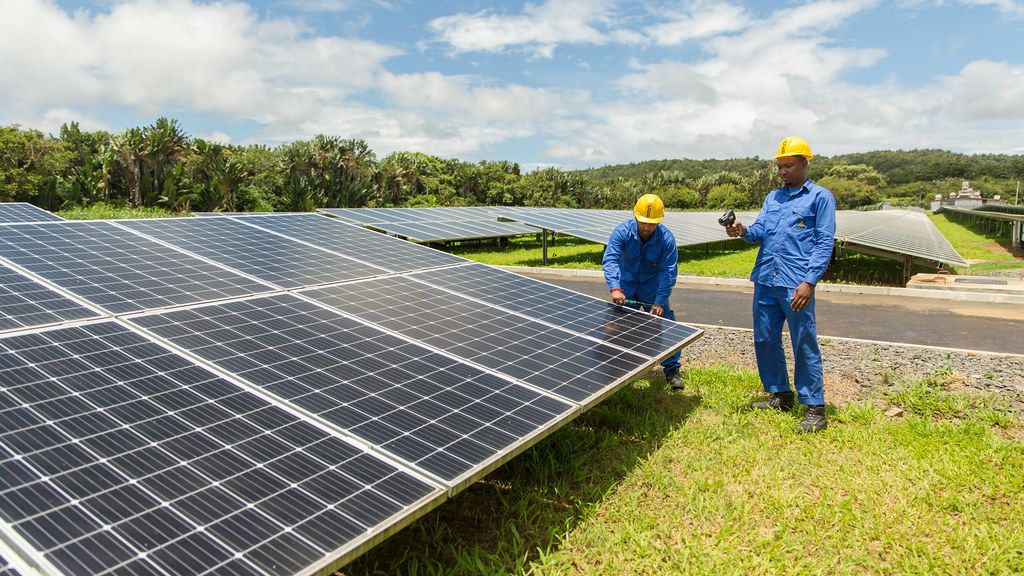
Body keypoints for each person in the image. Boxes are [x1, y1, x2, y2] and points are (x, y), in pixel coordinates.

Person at [724, 136, 836, 433]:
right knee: (764, 338)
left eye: (788, 166)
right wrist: (742, 230)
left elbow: (824, 243)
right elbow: (760, 230)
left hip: (795, 283)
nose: (782, 172)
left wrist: (809, 281)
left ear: (804, 163)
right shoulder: (773, 198)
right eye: (779, 167)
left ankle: (814, 406)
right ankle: (780, 394)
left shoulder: (820, 198)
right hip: (766, 279)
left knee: (803, 341)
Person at [603, 193, 684, 391]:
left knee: (664, 326)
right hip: (626, 287)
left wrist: (659, 301)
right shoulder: (622, 232)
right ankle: (618, 367)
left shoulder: (666, 239)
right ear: (636, 217)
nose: (647, 227)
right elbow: (611, 259)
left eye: (652, 223)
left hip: (652, 288)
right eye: (643, 222)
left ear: (659, 220)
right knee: (616, 326)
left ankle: (672, 369)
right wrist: (615, 288)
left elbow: (669, 272)